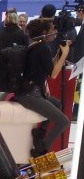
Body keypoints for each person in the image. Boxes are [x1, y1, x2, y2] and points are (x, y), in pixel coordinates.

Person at [15, 18, 71, 157]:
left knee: (57, 103)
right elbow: (53, 74)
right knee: (63, 121)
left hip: (28, 92)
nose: (55, 32)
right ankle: (41, 151)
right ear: (45, 32)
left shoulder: (35, 46)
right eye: (53, 29)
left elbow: (48, 67)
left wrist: (59, 53)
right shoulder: (43, 48)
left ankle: (40, 133)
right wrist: (65, 54)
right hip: (31, 95)